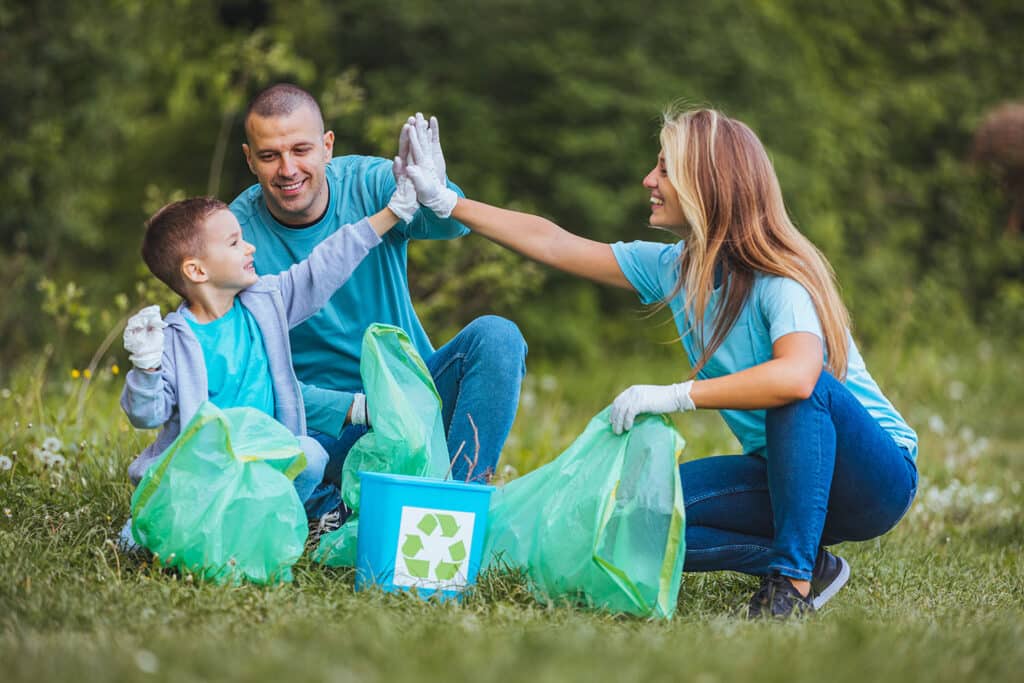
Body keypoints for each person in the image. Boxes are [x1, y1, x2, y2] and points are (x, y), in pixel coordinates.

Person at [398, 108, 919, 618]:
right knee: (634, 526)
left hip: (871, 480)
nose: (649, 179)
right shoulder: (678, 269)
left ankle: (792, 588)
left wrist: (676, 395)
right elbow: (554, 243)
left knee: (799, 393)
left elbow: (799, 376)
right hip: (781, 477)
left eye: (666, 169)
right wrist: (447, 202)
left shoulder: (778, 282)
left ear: (707, 183)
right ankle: (808, 563)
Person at [229, 84, 527, 524]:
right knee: (288, 458)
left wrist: (440, 193)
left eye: (301, 149)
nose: (288, 169)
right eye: (270, 155)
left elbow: (450, 230)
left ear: (327, 146)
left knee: (498, 336)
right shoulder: (235, 238)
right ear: (249, 158)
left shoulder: (368, 183)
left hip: (415, 402)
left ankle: (456, 514)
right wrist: (350, 408)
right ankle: (338, 507)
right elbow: (246, 380)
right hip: (325, 431)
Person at [119, 189, 413, 549]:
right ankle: (165, 525)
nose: (250, 248)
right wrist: (146, 367)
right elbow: (147, 414)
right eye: (234, 242)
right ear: (197, 270)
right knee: (149, 538)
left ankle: (269, 518)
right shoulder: (174, 342)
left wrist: (392, 213)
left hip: (263, 463)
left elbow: (322, 267)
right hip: (203, 474)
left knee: (310, 455)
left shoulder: (266, 302)